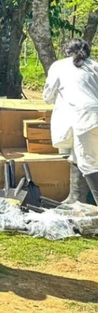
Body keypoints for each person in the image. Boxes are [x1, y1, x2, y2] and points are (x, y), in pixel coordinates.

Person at [43, 38, 98, 203]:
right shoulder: (95, 66)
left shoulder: (59, 66)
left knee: (90, 163)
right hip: (92, 115)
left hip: (84, 119)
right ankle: (75, 199)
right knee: (77, 156)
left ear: (67, 51)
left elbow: (47, 96)